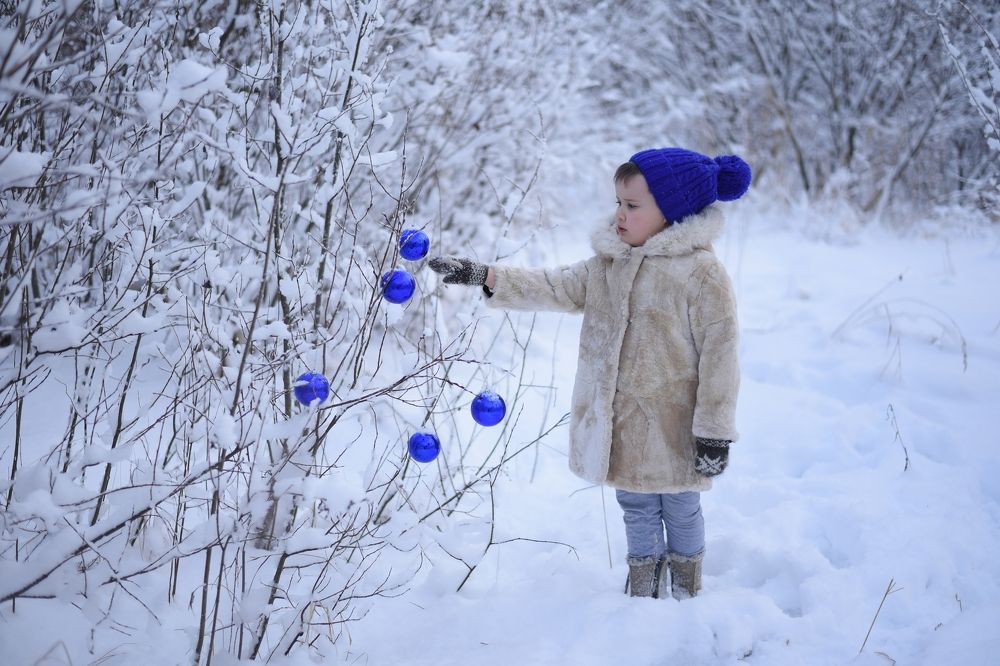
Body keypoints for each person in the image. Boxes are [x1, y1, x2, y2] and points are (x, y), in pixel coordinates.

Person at [428, 147, 751, 599]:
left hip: (676, 425)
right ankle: (643, 587)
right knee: (635, 505)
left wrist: (714, 431)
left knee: (680, 506)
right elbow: (553, 285)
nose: (619, 214)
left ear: (671, 211)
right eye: (618, 202)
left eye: (632, 206)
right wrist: (488, 276)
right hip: (621, 422)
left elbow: (722, 354)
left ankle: (686, 585)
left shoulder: (701, 274)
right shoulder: (608, 265)